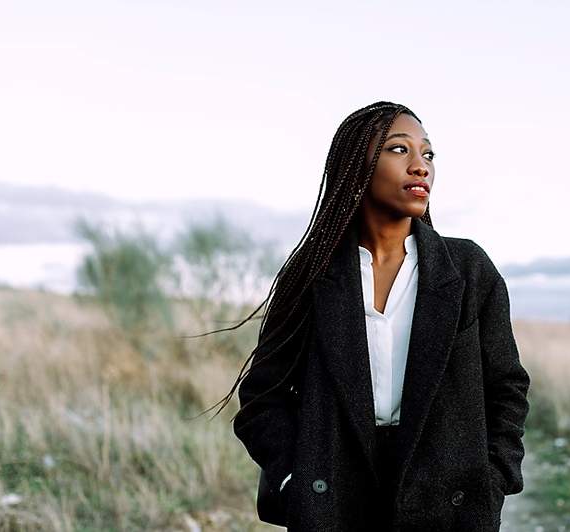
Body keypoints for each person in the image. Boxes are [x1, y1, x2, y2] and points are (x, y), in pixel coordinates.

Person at [227, 101, 530, 531]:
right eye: (398, 149)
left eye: (427, 154)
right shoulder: (313, 273)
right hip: (334, 499)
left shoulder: (468, 269)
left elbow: (506, 386)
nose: (420, 166)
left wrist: (493, 479)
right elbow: (262, 395)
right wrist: (294, 472)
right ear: (357, 165)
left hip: (447, 501)